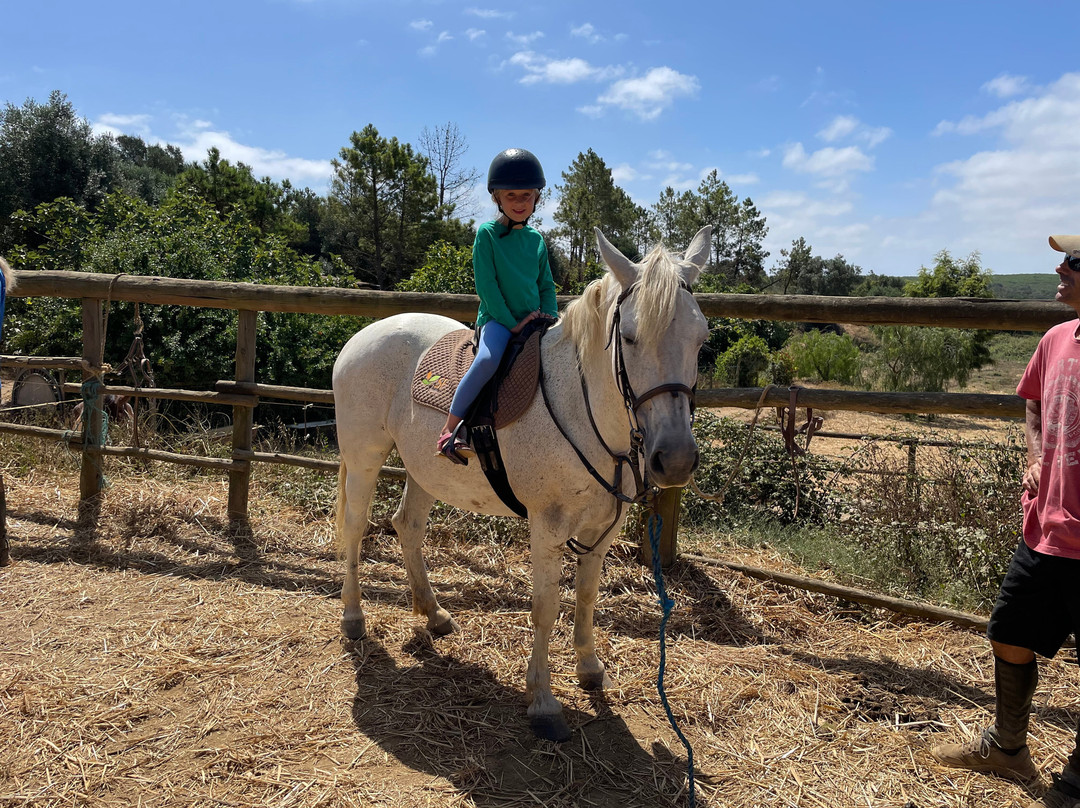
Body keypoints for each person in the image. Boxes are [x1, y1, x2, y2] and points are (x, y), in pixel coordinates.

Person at [931, 234, 1080, 807]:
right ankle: (1010, 748)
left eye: (1073, 261)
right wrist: (1035, 453)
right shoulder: (1056, 340)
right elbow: (1034, 399)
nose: (1059, 268)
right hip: (1046, 531)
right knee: (1010, 631)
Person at [435, 148, 558, 463]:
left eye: (526, 196)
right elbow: (486, 286)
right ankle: (450, 430)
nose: (519, 202)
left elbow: (545, 284)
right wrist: (510, 322)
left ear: (536, 199)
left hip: (535, 321)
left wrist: (550, 316)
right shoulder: (487, 235)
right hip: (499, 321)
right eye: (511, 195)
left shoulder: (536, 241)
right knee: (488, 360)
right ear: (497, 199)